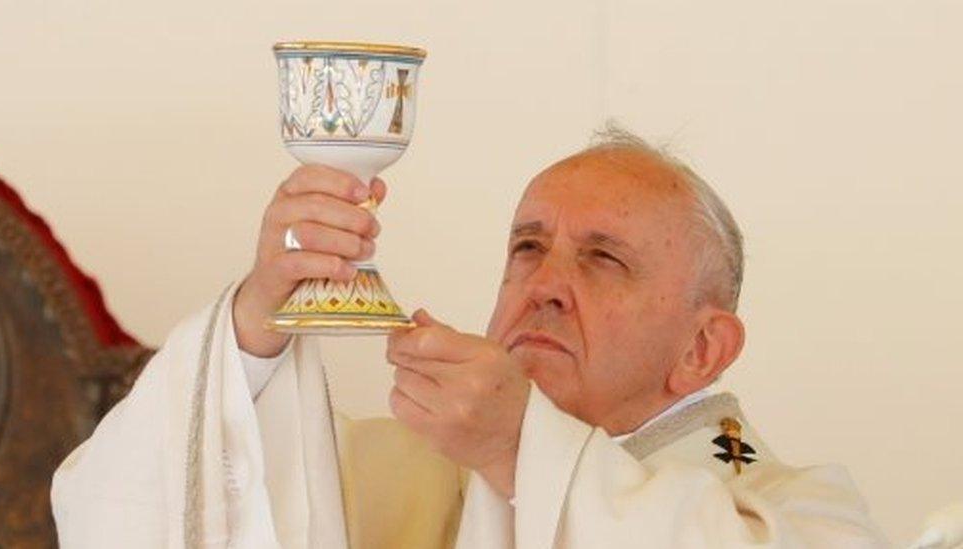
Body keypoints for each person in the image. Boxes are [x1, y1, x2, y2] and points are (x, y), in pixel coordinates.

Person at [51, 125, 891, 548]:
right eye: (528, 247)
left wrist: (520, 449)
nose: (544, 286)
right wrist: (258, 320)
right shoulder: (391, 470)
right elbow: (117, 513)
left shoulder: (800, 513)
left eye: (603, 260)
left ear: (702, 350)